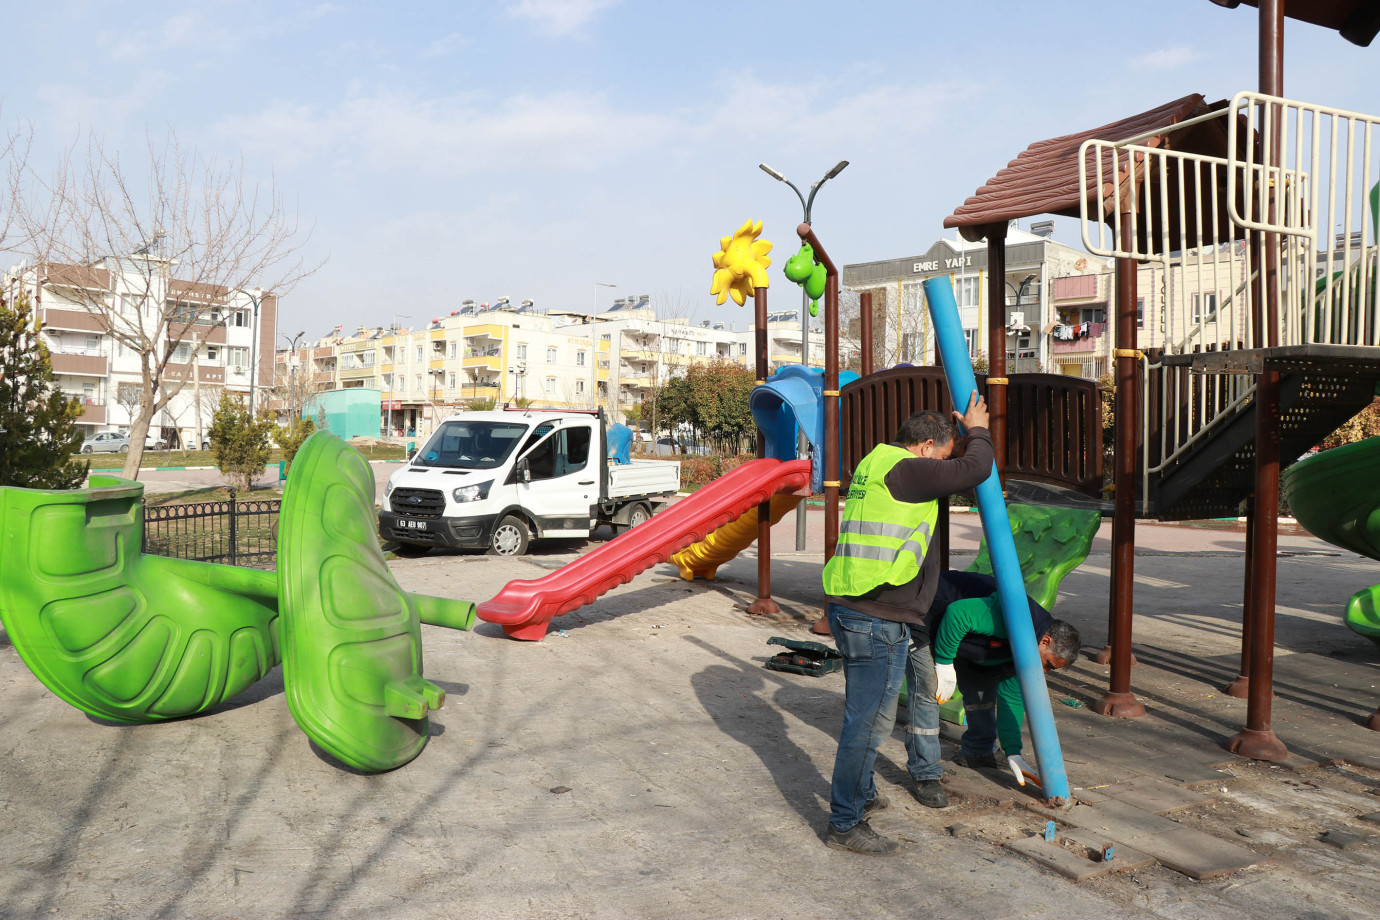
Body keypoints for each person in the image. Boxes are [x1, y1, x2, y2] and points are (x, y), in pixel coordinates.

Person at [820, 394, 991, 856]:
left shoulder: (877, 463)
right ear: (927, 446)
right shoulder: (908, 468)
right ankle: (844, 822)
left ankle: (859, 793)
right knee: (866, 725)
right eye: (942, 456)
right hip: (875, 616)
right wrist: (976, 430)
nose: (943, 468)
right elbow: (975, 469)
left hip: (862, 608)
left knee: (869, 719)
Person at [928, 574, 1082, 786]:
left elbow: (1012, 698)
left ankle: (977, 752)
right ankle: (924, 770)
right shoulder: (1018, 618)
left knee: (983, 692)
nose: (1044, 672)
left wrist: (1013, 751)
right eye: (1048, 664)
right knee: (927, 694)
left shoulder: (1029, 649)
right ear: (1045, 641)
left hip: (974, 645)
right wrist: (944, 662)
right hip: (929, 613)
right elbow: (958, 614)